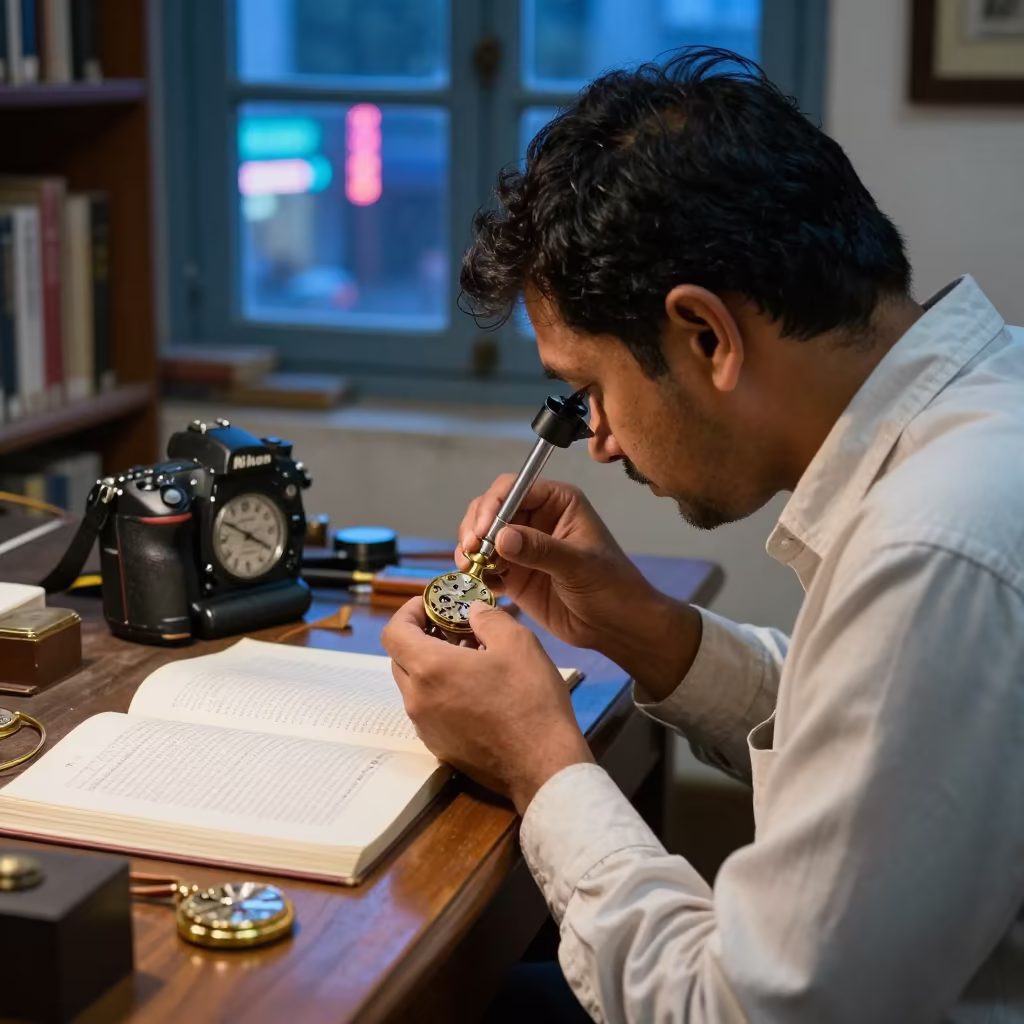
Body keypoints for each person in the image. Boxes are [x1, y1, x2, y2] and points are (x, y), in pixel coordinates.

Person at [380, 48, 1024, 1023]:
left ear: (708, 337)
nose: (593, 442)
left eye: (591, 388)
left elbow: (737, 1011)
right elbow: (869, 722)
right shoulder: (976, 423)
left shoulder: (928, 546)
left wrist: (537, 755)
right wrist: (647, 628)